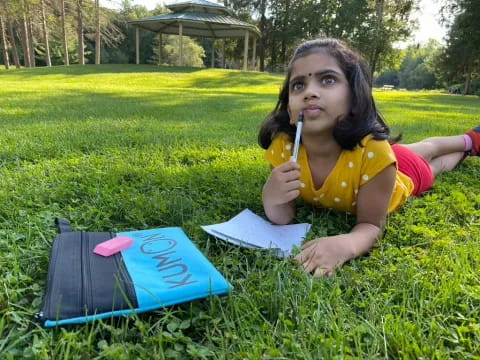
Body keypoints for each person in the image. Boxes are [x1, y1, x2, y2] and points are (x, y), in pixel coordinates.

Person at [258, 38, 480, 277]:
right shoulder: (284, 148)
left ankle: (469, 143)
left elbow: (372, 226)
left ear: (354, 98)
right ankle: (469, 143)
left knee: (433, 162)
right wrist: (271, 198)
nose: (310, 92)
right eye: (298, 85)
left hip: (398, 173)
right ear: (290, 111)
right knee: (418, 149)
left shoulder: (376, 151)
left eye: (328, 80)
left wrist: (346, 244)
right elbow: (285, 214)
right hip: (377, 161)